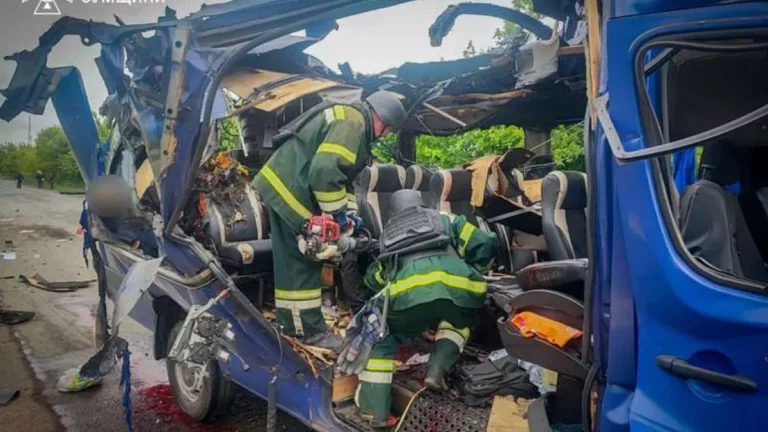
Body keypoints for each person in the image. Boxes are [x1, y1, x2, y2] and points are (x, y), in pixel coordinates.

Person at [252, 91, 407, 350]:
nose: (386, 135)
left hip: (287, 188)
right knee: (301, 262)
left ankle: (294, 326)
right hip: (291, 191)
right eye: (389, 130)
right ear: (381, 118)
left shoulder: (352, 121)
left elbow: (343, 179)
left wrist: (350, 215)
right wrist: (337, 217)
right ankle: (307, 332)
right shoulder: (353, 123)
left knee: (298, 262)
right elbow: (324, 173)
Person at [354, 189, 499, 427]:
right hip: (457, 287)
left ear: (392, 212)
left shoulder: (388, 234)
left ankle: (374, 412)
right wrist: (474, 267)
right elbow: (484, 242)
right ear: (422, 204)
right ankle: (437, 369)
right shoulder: (445, 219)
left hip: (407, 296)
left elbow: (377, 278)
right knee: (459, 320)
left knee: (382, 343)